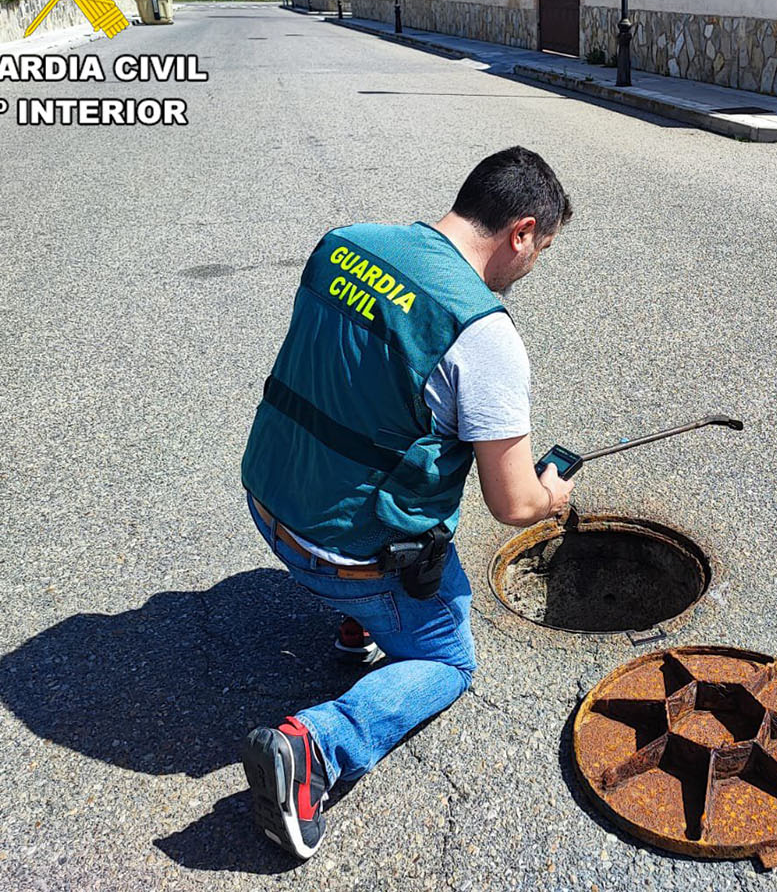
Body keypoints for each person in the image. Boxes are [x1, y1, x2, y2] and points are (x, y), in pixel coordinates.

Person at [237, 147, 575, 859]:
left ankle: (359, 625)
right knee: (451, 662)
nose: (533, 266)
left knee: (375, 428)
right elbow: (512, 501)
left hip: (267, 495)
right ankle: (316, 751)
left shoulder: (346, 244)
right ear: (519, 232)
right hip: (337, 550)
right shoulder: (481, 333)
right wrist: (552, 495)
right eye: (541, 249)